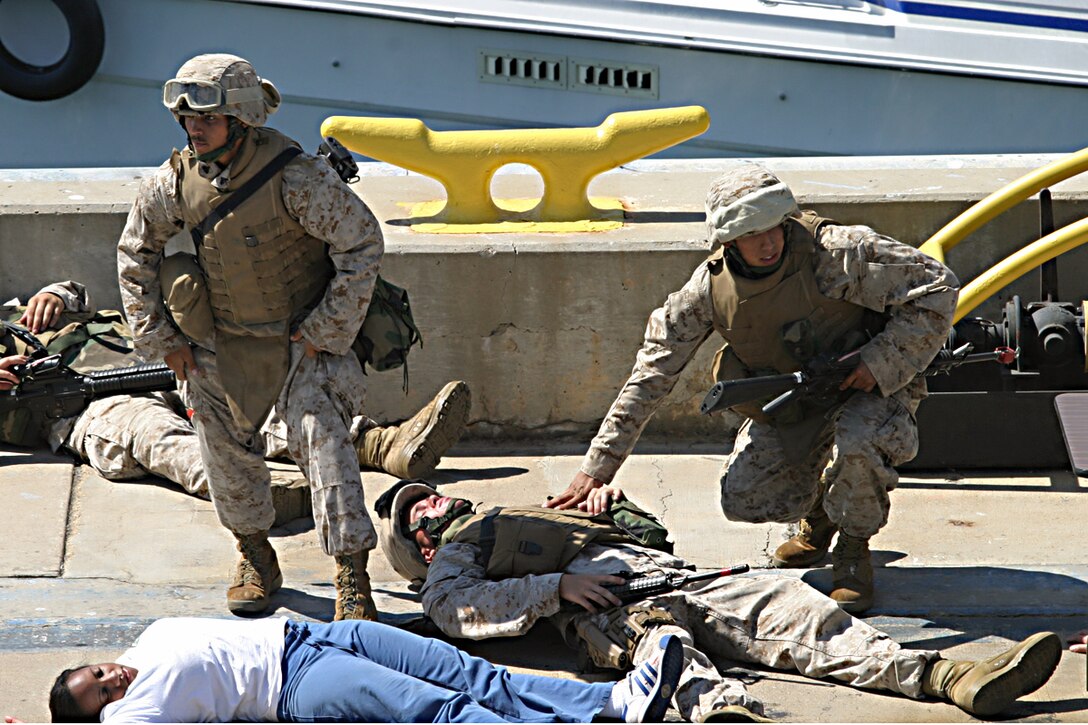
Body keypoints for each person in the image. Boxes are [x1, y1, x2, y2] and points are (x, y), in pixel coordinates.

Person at [116, 53, 468, 621]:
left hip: (301, 341)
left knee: (324, 442)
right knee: (224, 454)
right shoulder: (176, 182)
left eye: (207, 118)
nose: (193, 129)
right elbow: (135, 253)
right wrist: (164, 342)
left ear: (241, 120)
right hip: (221, 344)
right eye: (187, 118)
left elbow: (361, 242)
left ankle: (351, 575)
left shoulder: (296, 178)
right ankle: (254, 555)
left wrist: (323, 331)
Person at [546, 164, 960, 614]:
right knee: (745, 498)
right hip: (798, 399)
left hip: (872, 385)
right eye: (751, 235)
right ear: (728, 242)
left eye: (773, 228)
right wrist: (598, 468)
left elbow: (937, 286)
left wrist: (878, 361)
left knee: (859, 446)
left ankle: (852, 550)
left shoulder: (837, 253)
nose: (768, 244)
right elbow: (652, 373)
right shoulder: (709, 291)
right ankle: (822, 515)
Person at [378, 479, 1060, 723]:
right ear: (421, 547)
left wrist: (616, 508)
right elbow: (454, 610)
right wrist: (555, 587)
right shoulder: (454, 556)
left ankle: (945, 676)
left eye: (427, 494)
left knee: (794, 605)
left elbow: (653, 539)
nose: (432, 501)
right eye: (418, 512)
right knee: (665, 651)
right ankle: (726, 716)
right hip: (608, 607)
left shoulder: (526, 511)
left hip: (674, 573)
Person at [0, 282, 467, 526]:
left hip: (150, 362)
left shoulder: (10, 315)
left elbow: (76, 292)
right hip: (85, 406)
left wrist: (54, 295)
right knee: (156, 436)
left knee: (250, 405)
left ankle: (384, 445)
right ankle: (255, 496)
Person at [35, 617, 683, 723]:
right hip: (295, 685)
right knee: (440, 711)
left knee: (472, 673)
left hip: (316, 633)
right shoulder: (134, 716)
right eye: (100, 694)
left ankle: (612, 704)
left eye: (97, 672)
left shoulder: (147, 640)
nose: (111, 679)